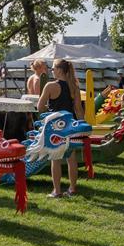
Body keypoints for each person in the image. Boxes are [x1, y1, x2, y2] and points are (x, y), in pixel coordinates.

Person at [37, 58, 85, 198]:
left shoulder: (50, 86)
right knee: (71, 158)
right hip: (71, 125)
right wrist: (82, 127)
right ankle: (72, 189)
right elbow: (78, 110)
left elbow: (40, 107)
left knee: (55, 159)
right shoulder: (74, 87)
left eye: (53, 68)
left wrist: (50, 110)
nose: (52, 71)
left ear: (59, 70)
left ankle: (57, 191)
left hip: (56, 126)